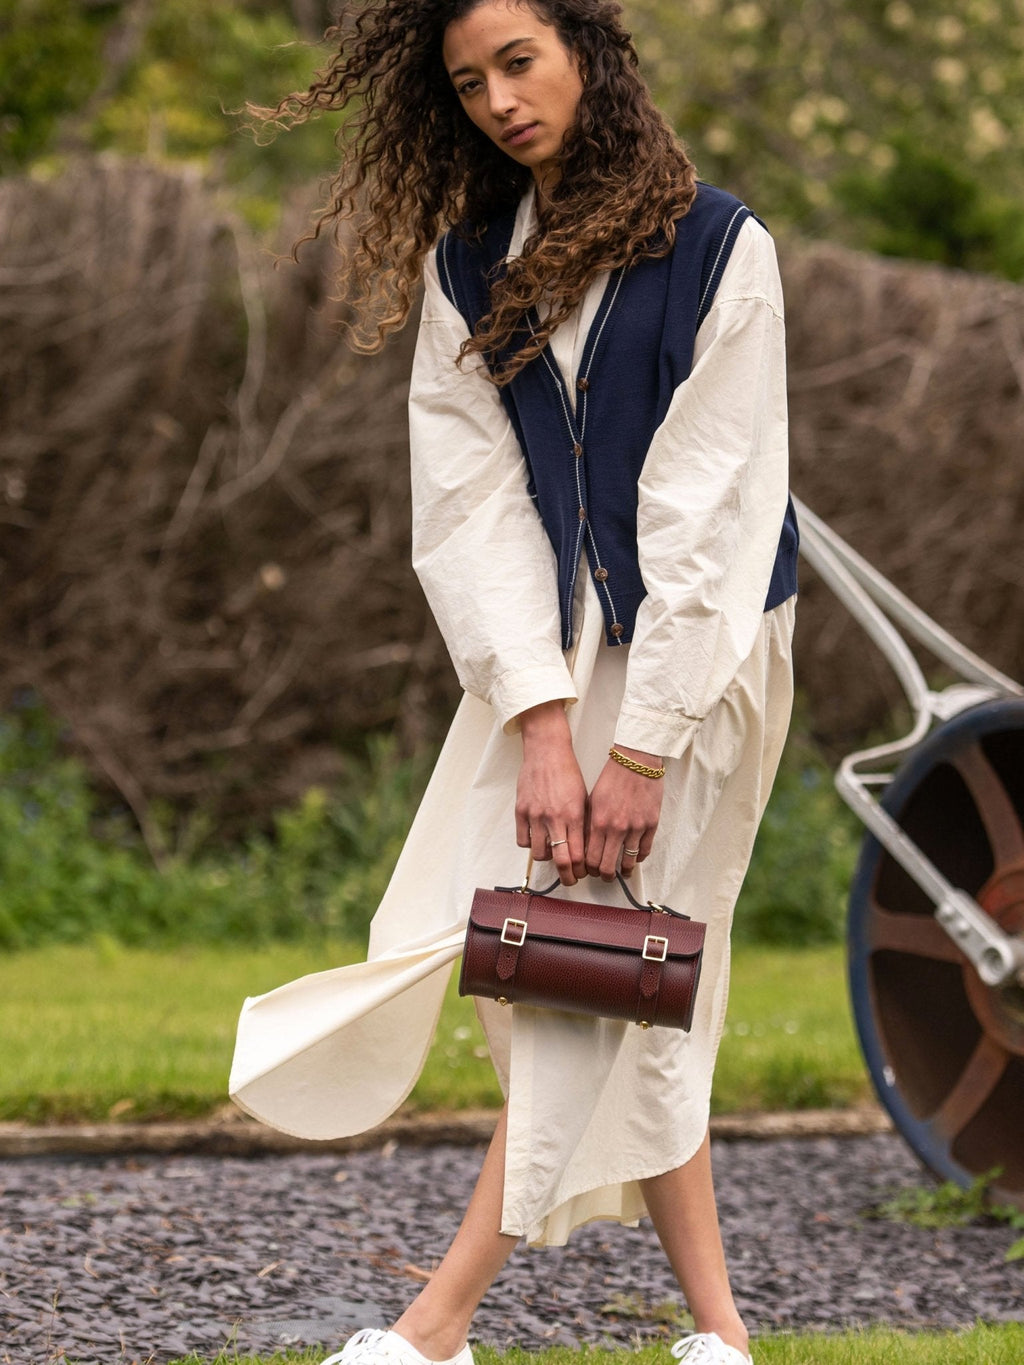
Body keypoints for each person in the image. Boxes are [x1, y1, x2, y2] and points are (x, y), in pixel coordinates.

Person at [234, 3, 799, 1364]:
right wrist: (544, 724)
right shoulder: (469, 269)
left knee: (586, 969)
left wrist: (646, 744)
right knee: (611, 967)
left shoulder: (724, 249)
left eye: (519, 60)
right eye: (469, 81)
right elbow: (470, 509)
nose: (496, 98)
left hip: (701, 650)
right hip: (545, 655)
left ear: (589, 54)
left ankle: (435, 1324)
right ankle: (721, 1335)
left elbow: (707, 518)